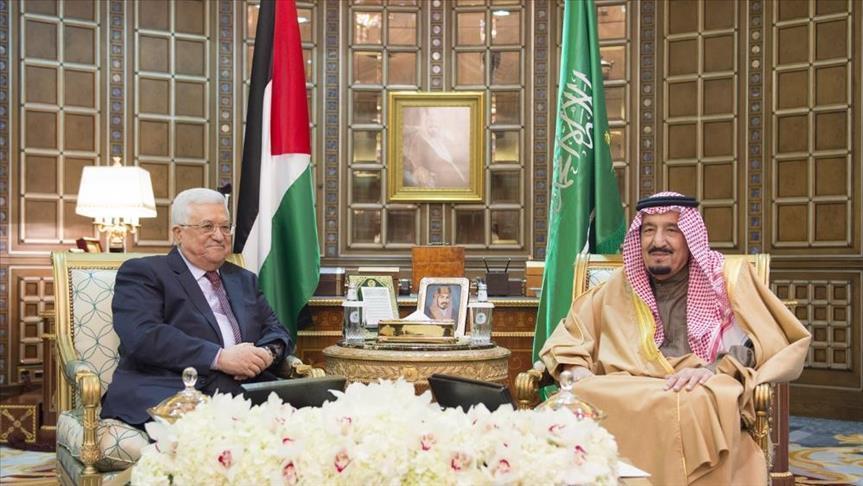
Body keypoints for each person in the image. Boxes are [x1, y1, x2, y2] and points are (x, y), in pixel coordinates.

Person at [539, 191, 811, 486]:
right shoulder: (620, 285)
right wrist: (575, 366)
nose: (658, 241)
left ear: (690, 237)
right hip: (628, 386)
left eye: (671, 230)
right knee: (580, 394)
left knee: (694, 402)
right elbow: (571, 335)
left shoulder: (728, 278)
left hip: (699, 384)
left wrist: (714, 369)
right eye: (648, 230)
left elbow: (769, 342)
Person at [101, 188, 293, 427]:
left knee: (309, 418)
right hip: (172, 389)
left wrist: (266, 354)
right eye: (207, 227)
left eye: (225, 227)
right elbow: (143, 336)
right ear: (178, 233)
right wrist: (219, 358)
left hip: (244, 388)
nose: (219, 236)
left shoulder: (243, 279)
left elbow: (277, 330)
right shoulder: (145, 272)